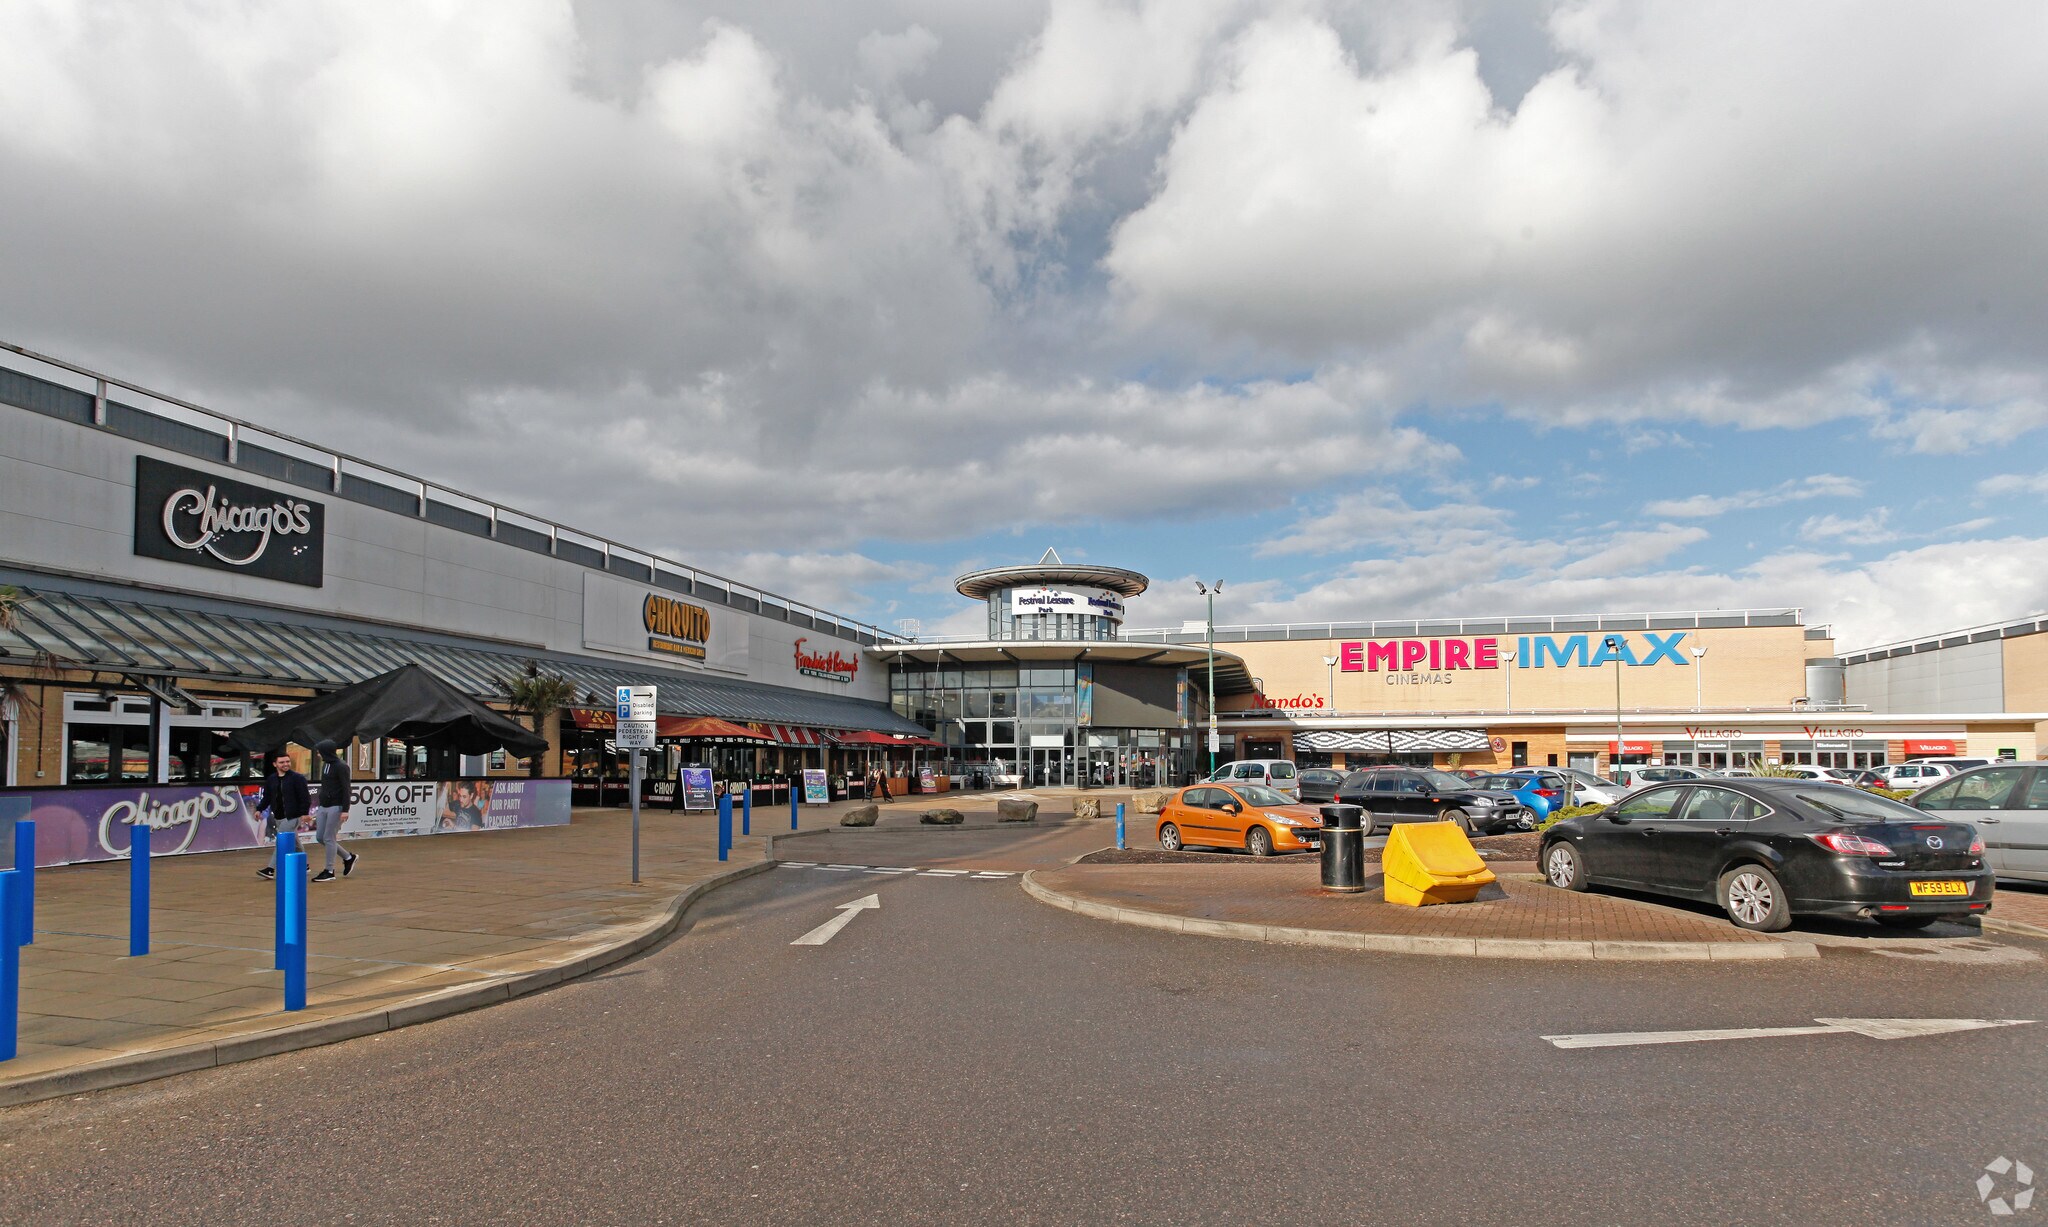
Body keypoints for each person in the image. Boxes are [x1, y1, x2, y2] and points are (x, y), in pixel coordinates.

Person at [257, 751, 310, 880]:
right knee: (295, 841)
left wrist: (304, 813)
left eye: (287, 761)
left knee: (281, 841)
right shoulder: (272, 779)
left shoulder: (297, 778)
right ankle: (304, 865)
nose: (285, 764)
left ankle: (270, 869)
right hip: (279, 816)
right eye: (282, 762)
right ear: (275, 764)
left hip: (293, 815)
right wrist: (259, 809)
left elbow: (305, 797)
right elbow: (267, 797)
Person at [311, 739, 358, 882]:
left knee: (329, 838)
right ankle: (348, 857)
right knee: (320, 837)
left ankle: (329, 870)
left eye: (320, 751)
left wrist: (345, 809)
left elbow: (346, 788)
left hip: (336, 806)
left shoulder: (341, 766)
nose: (318, 754)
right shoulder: (327, 764)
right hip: (324, 805)